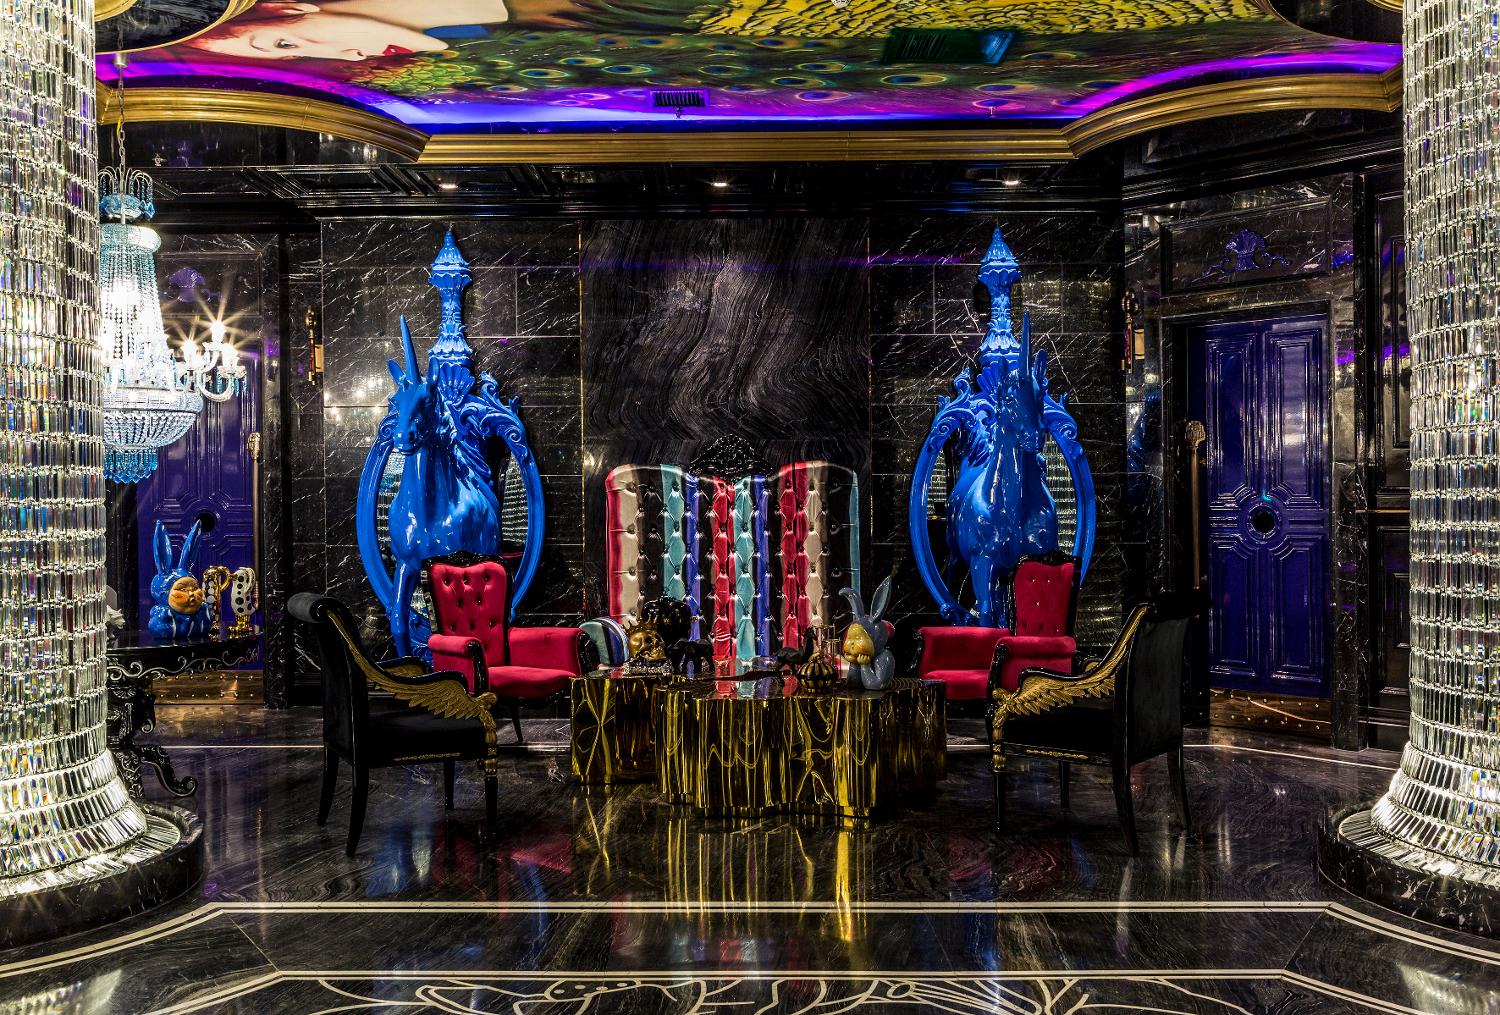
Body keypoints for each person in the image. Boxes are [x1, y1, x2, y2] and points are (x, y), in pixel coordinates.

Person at [182, 0, 603, 62]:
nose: (352, 55)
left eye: (283, 41)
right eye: (291, 54)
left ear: (294, 8)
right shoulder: (486, 38)